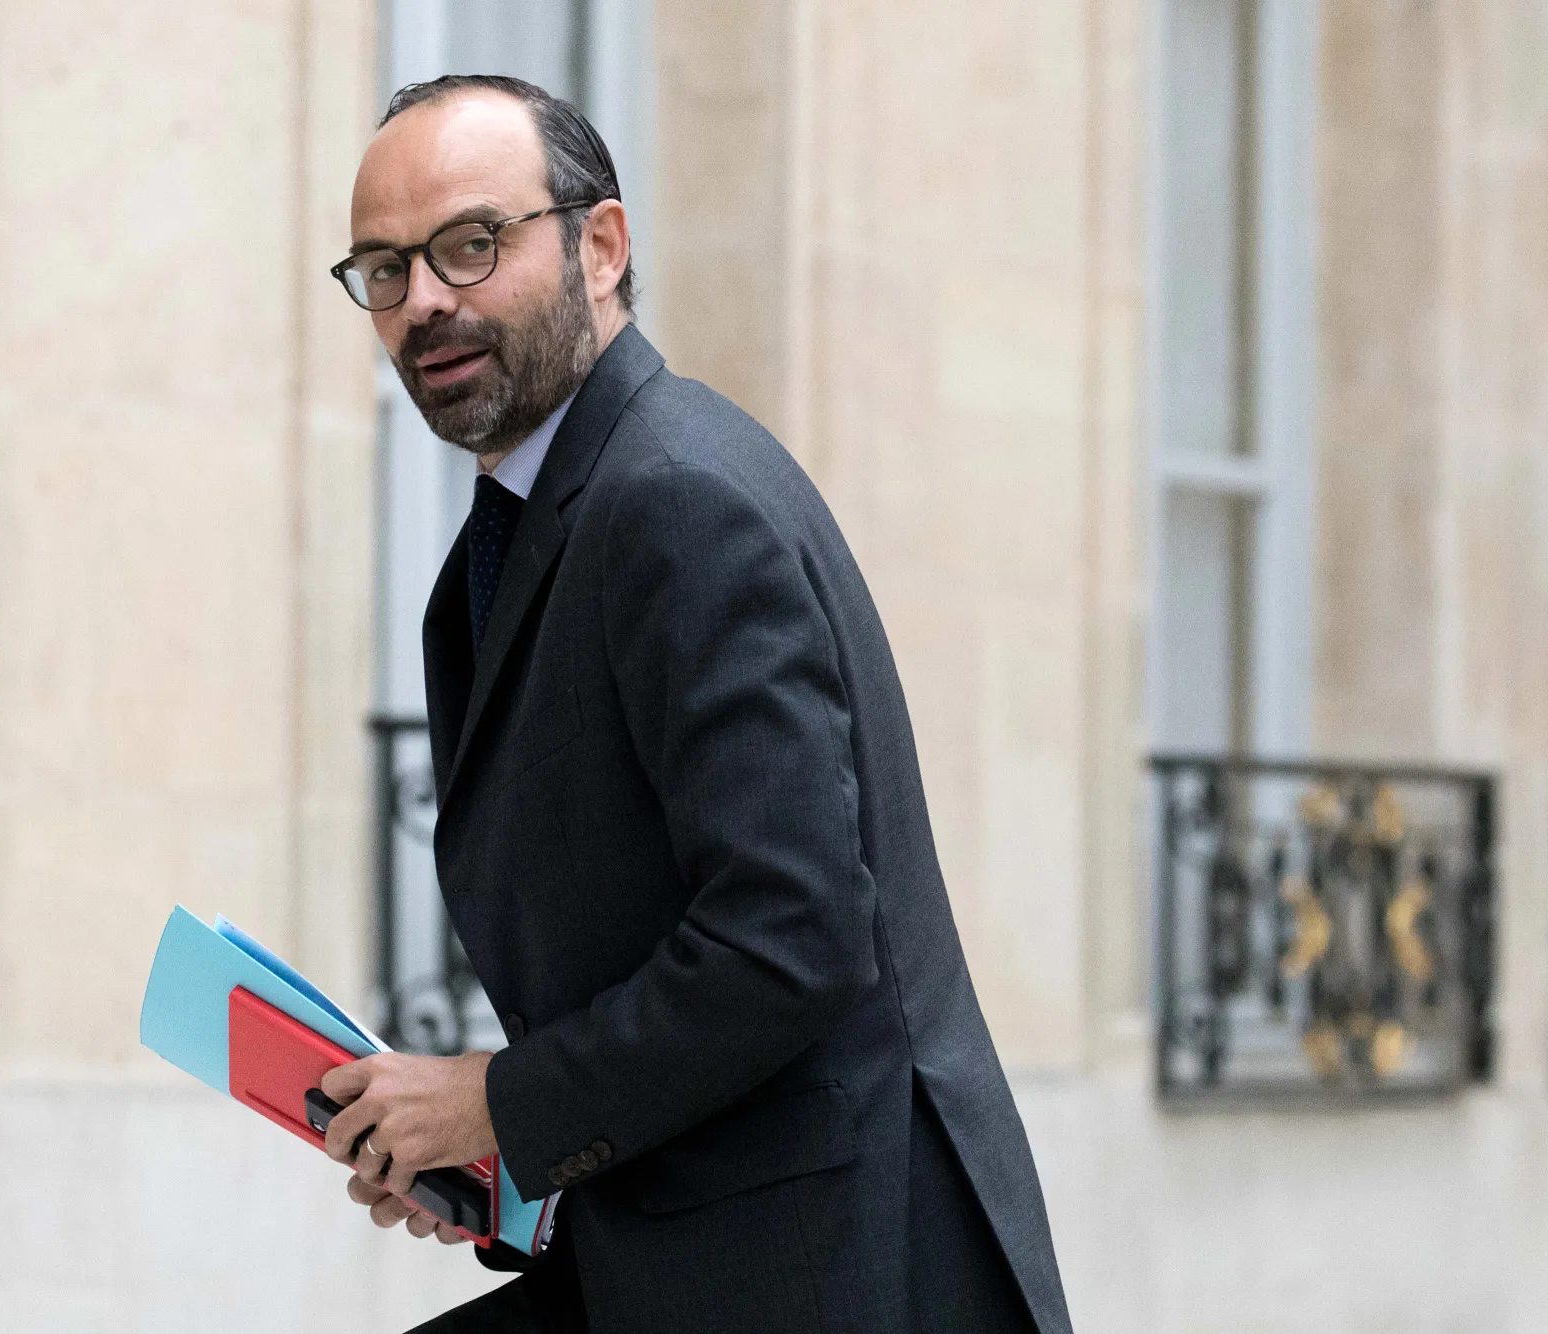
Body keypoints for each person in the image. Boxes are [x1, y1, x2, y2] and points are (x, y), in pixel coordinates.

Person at [315, 74, 1073, 1334]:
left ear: (600, 246)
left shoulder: (675, 497)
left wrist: (496, 1103)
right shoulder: (522, 535)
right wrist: (499, 1157)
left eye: (470, 243)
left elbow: (789, 935)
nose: (425, 300)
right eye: (385, 270)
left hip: (834, 1274)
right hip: (683, 1250)